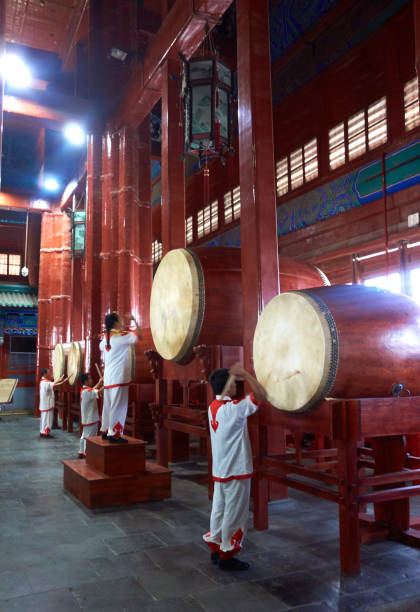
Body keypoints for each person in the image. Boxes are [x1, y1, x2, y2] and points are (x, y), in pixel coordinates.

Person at [203, 362, 266, 571]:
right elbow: (261, 394)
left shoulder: (213, 407)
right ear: (228, 388)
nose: (237, 386)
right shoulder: (234, 410)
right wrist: (246, 374)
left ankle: (216, 548)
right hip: (236, 469)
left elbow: (225, 398)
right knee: (235, 513)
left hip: (221, 469)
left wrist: (232, 376)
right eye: (234, 383)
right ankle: (227, 556)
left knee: (219, 510)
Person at [99, 312, 141, 443]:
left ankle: (106, 430)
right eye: (120, 320)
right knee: (119, 406)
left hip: (108, 378)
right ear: (116, 323)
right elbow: (139, 335)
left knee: (108, 406)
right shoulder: (122, 337)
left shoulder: (104, 339)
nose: (122, 322)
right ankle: (115, 435)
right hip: (119, 377)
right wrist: (134, 320)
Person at [78, 372, 103, 458]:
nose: (92, 380)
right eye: (90, 378)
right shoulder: (87, 392)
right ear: (86, 381)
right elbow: (98, 391)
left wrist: (100, 383)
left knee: (85, 435)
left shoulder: (84, 390)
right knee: (90, 437)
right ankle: (87, 453)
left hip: (87, 418)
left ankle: (82, 451)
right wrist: (106, 384)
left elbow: (93, 390)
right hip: (91, 418)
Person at [39, 368, 68, 438]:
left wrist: (60, 380)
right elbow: (55, 385)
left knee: (44, 420)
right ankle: (46, 434)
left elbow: (53, 383)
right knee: (47, 420)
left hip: (45, 405)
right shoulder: (45, 382)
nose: (50, 374)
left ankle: (42, 432)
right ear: (45, 374)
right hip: (47, 405)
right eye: (48, 373)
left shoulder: (43, 382)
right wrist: (63, 381)